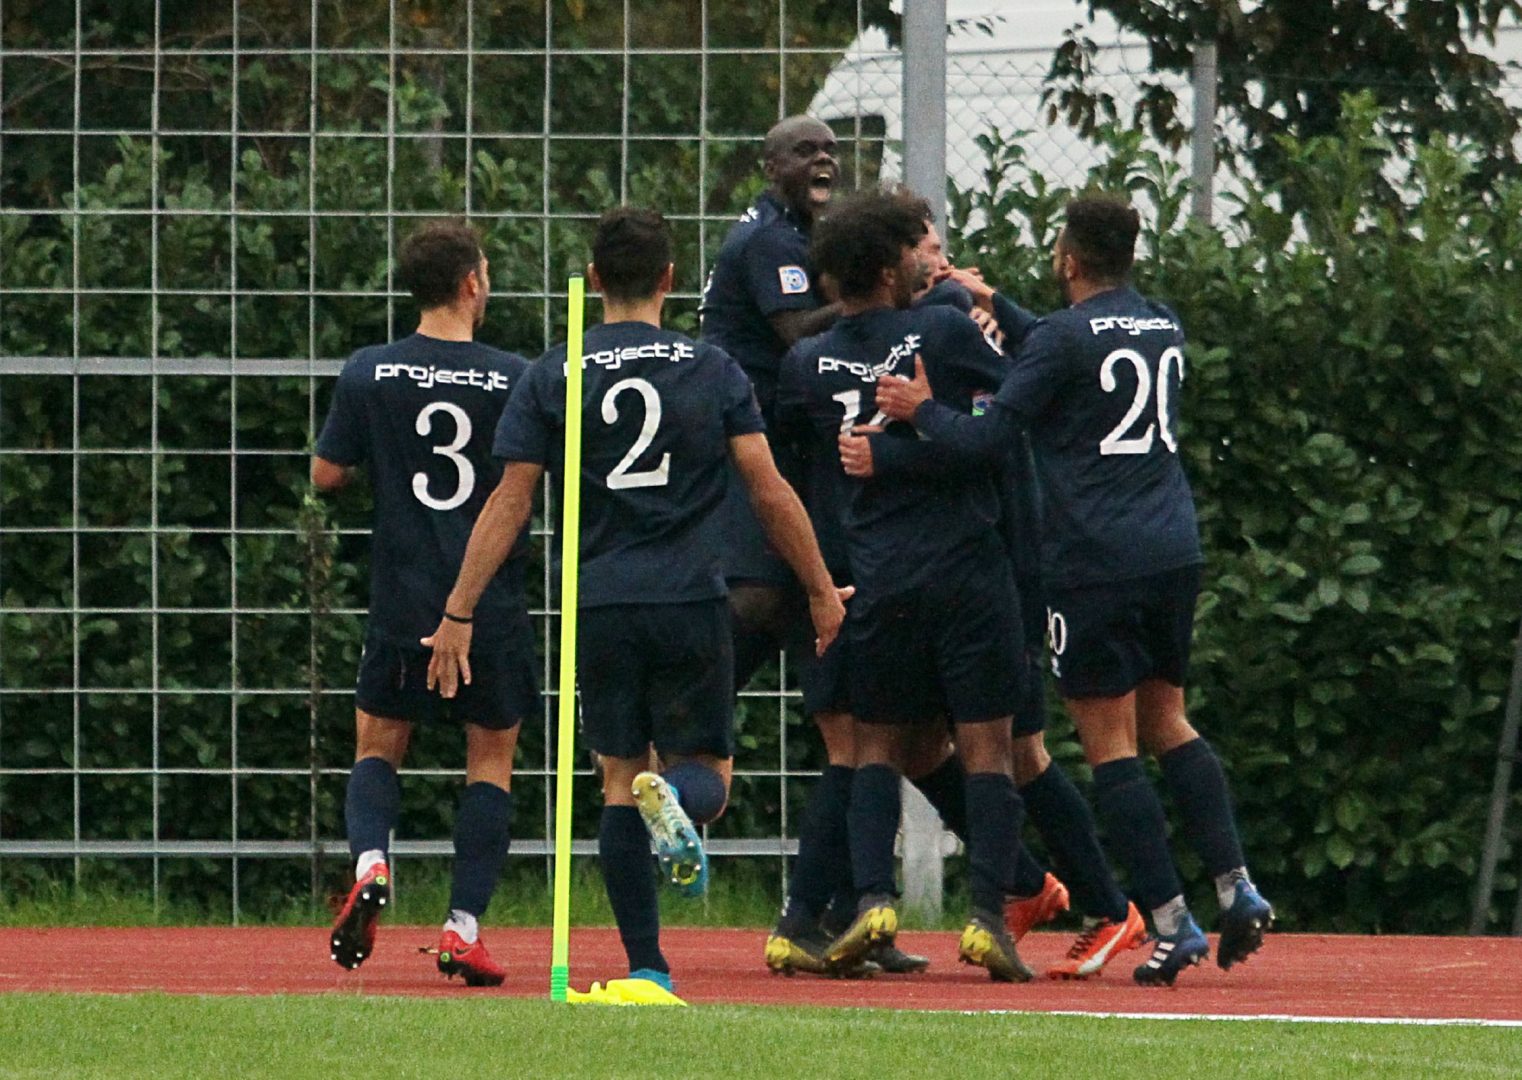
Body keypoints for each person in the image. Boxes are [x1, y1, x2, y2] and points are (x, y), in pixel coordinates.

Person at [424, 207, 849, 998]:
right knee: (708, 776)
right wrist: (821, 589)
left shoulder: (555, 371)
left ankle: (647, 967)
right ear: (669, 280)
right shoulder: (713, 368)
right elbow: (767, 489)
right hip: (691, 597)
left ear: (593, 280)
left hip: (600, 603)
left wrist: (458, 609)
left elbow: (510, 501)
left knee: (619, 779)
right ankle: (678, 801)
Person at [875, 195, 1274, 986]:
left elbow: (991, 436)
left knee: (1109, 744)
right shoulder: (1160, 323)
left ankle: (1170, 922)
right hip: (1173, 547)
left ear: (1067, 259)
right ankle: (1237, 884)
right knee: (1168, 719)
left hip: (1096, 558)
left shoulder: (1062, 338)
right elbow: (1072, 350)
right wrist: (996, 301)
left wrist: (923, 411)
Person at [849, 189, 1149, 979]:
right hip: (928, 569)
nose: (938, 259)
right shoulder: (910, 327)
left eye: (936, 247)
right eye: (926, 247)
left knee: (1017, 749)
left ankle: (1104, 903)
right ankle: (1020, 882)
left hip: (1002, 559)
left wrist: (898, 445)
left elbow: (994, 438)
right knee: (923, 745)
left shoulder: (950, 325)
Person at [777, 189, 1035, 983]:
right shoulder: (945, 332)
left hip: (879, 573)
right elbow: (1001, 431)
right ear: (893, 267)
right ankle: (988, 917)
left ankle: (873, 900)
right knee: (987, 746)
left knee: (875, 745)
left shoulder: (805, 363)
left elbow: (808, 460)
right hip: (966, 569)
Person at [312, 220, 534, 987]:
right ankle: (462, 928)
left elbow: (326, 475)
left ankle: (372, 862)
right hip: (490, 601)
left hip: (403, 595)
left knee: (378, 745)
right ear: (472, 283)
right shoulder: (515, 376)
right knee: (490, 759)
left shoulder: (369, 372)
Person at [700, 114, 842, 685]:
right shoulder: (771, 238)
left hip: (777, 425)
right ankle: (690, 701)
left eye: (830, 150)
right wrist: (877, 299)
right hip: (745, 427)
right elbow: (797, 331)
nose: (824, 159)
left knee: (787, 595)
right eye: (806, 151)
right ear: (772, 168)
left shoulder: (801, 232)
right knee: (759, 590)